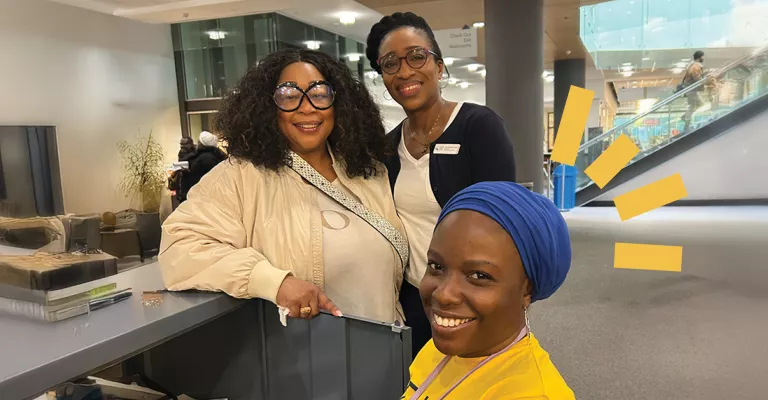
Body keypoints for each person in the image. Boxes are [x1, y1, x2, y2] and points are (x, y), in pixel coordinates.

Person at [159, 49, 408, 324]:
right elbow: (180, 249)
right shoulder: (240, 178)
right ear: (268, 107)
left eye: (319, 93)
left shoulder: (368, 174)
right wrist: (274, 282)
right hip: (306, 355)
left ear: (339, 103)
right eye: (288, 96)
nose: (306, 107)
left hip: (385, 347)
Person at [366, 11, 517, 355]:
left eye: (417, 56)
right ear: (383, 77)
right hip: (415, 300)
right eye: (390, 63)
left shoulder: (479, 126)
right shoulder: (387, 148)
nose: (405, 71)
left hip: (473, 301)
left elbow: (505, 227)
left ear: (439, 65)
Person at [403, 182, 574, 400]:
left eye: (479, 276)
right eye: (436, 266)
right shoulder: (441, 349)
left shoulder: (530, 393)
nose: (443, 294)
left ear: (527, 290)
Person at [176, 131, 227, 203]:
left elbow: (205, 176)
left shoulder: (206, 158)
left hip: (201, 197)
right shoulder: (202, 155)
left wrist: (188, 173)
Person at [682, 50, 706, 132]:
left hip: (692, 90)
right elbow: (697, 78)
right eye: (703, 56)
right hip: (691, 90)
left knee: (696, 105)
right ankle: (686, 121)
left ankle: (685, 118)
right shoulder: (695, 67)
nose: (704, 57)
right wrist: (705, 81)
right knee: (698, 105)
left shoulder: (694, 66)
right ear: (700, 57)